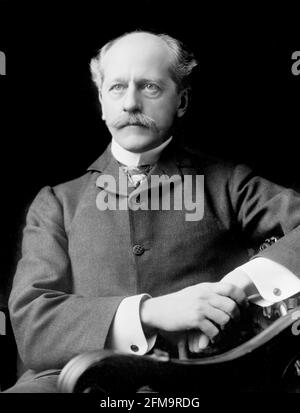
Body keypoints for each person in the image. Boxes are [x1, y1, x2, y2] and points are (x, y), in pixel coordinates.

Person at [5, 31, 300, 393]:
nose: (130, 103)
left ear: (182, 100)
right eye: (116, 88)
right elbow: (33, 324)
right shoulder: (56, 202)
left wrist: (233, 289)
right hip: (71, 380)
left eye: (149, 87)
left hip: (208, 377)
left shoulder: (230, 183)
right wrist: (149, 313)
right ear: (101, 101)